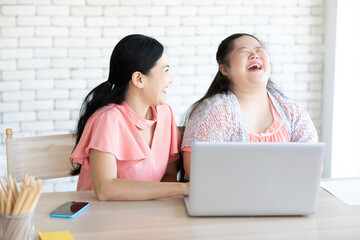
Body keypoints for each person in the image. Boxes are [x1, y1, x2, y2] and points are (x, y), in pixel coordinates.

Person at [181, 33, 318, 178]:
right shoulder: (213, 113)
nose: (255, 55)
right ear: (224, 69)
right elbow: (198, 173)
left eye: (259, 50)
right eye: (244, 51)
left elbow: (311, 166)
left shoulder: (291, 111)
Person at [70, 34, 189, 201]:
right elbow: (105, 189)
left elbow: (169, 174)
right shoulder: (108, 119)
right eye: (166, 70)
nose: (171, 79)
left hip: (145, 215)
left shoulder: (165, 113)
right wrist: (185, 188)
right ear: (139, 79)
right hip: (101, 218)